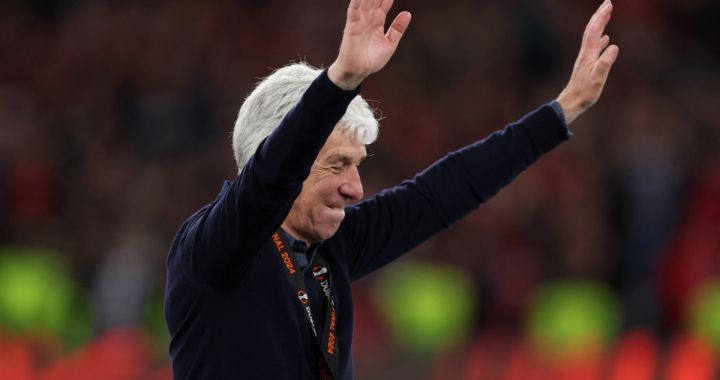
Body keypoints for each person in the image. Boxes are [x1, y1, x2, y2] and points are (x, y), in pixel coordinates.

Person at [164, 0, 619, 378]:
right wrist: (339, 81)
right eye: (338, 164)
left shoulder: (333, 248)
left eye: (357, 166)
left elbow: (441, 193)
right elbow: (268, 181)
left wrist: (563, 110)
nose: (355, 189)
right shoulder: (215, 250)